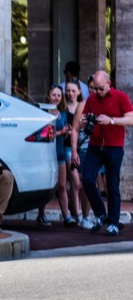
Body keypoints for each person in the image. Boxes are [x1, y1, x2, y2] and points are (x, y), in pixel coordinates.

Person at [71, 70, 133, 236]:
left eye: (100, 89)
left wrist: (111, 120)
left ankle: (113, 222)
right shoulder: (91, 99)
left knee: (112, 185)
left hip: (114, 147)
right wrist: (84, 121)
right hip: (95, 146)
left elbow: (131, 119)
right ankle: (100, 214)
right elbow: (82, 123)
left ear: (109, 83)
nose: (97, 92)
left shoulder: (120, 97)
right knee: (88, 179)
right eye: (95, 89)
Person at [36, 85, 76, 227]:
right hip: (45, 155)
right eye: (54, 95)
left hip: (59, 153)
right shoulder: (42, 112)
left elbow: (64, 132)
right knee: (47, 186)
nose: (57, 98)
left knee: (61, 186)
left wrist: (68, 133)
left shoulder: (63, 114)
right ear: (48, 95)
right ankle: (41, 214)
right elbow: (41, 134)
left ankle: (67, 216)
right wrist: (60, 132)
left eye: (59, 95)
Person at [62, 79, 89, 227]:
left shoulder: (83, 107)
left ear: (79, 91)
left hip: (82, 147)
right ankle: (77, 214)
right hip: (67, 147)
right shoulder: (63, 109)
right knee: (75, 182)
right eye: (68, 90)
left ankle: (79, 213)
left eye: (73, 90)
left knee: (82, 183)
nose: (70, 93)